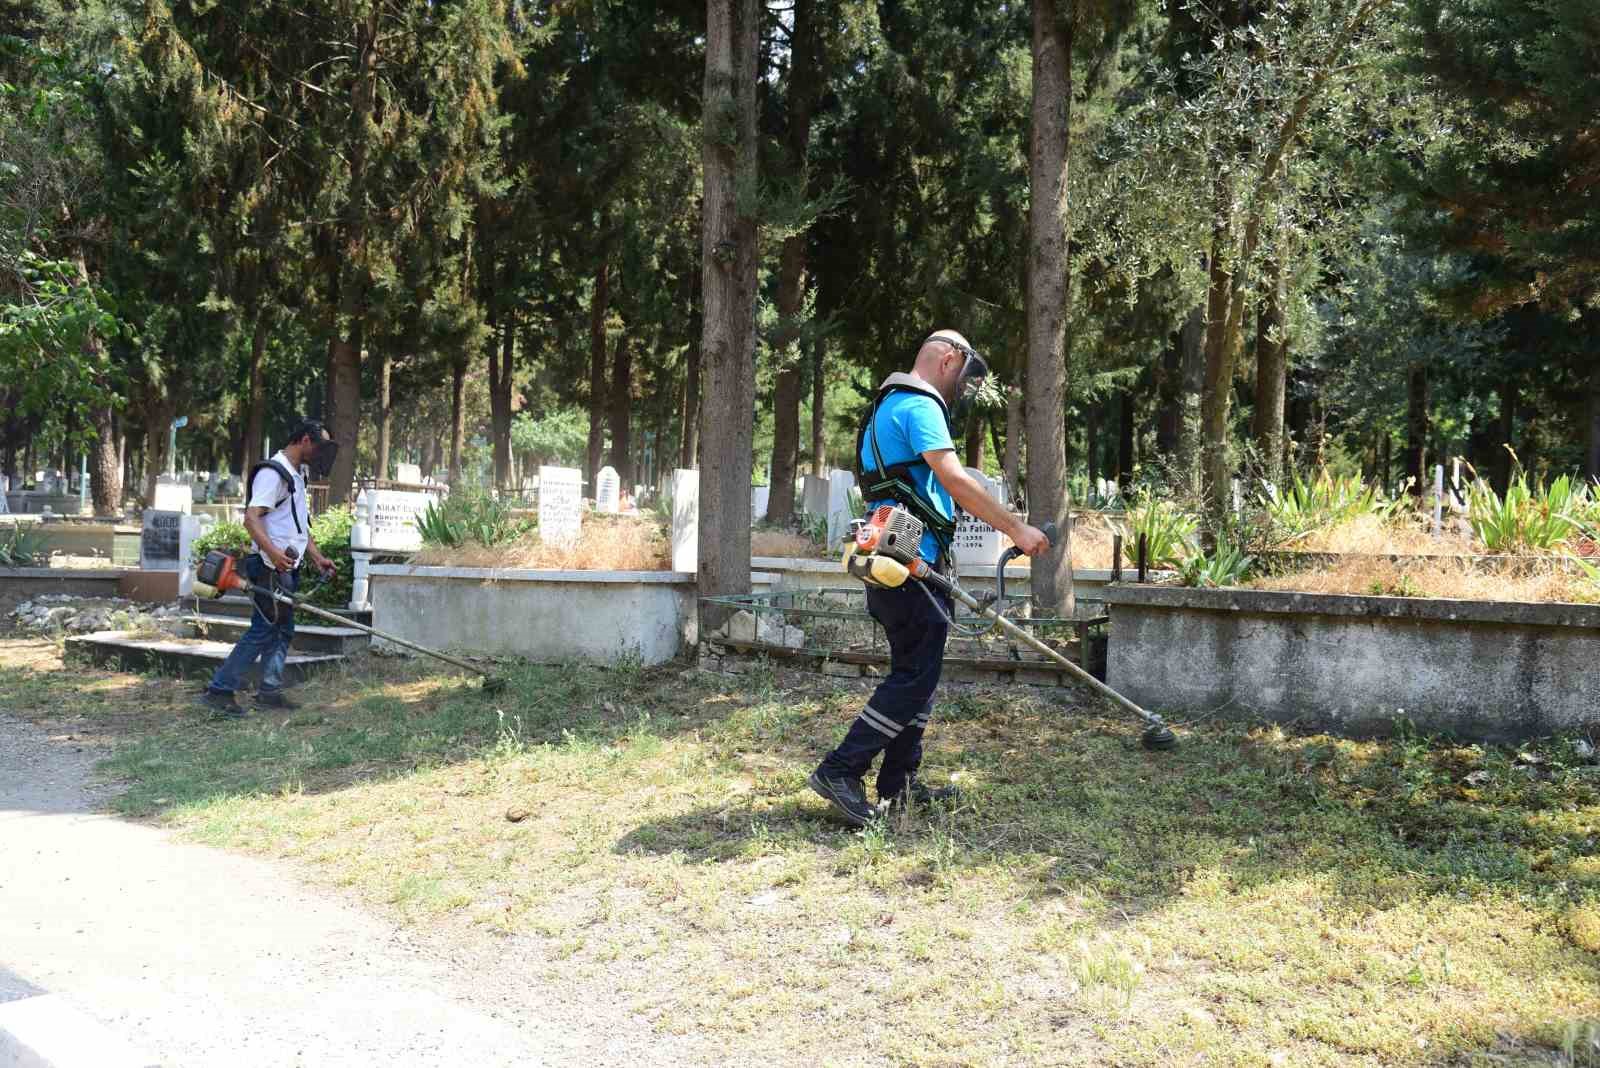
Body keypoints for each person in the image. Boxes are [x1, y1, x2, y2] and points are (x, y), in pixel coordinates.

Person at [808, 330, 1051, 826]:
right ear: (947, 359)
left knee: (919, 674)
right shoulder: (920, 405)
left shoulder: (884, 407)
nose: (964, 389)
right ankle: (840, 769)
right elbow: (955, 480)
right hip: (910, 557)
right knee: (915, 677)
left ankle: (899, 785)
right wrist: (1017, 528)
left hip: (897, 552)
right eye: (965, 376)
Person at [200, 419, 340, 718]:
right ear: (304, 440)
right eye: (319, 447)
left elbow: (298, 525)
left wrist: (316, 557)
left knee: (282, 629)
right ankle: (220, 690)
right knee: (264, 629)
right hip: (268, 565)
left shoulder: (296, 475)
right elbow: (251, 519)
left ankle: (269, 691)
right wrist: (274, 554)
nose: (320, 454)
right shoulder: (272, 474)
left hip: (285, 565)